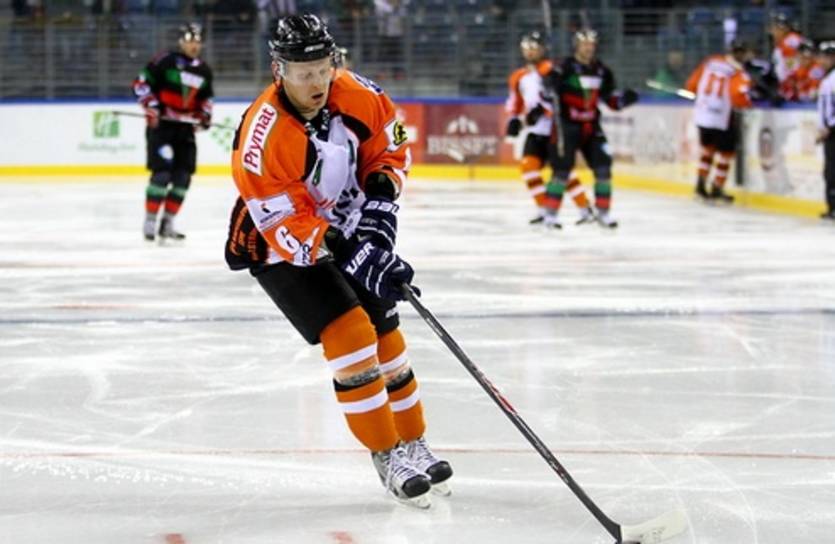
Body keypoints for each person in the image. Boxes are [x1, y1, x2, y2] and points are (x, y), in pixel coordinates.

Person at [223, 14, 452, 507]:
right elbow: (284, 222)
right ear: (278, 70)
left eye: (323, 68)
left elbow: (389, 152)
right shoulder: (263, 135)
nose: (316, 82)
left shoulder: (360, 94)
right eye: (303, 72)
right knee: (351, 334)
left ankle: (413, 441)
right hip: (279, 243)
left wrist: (378, 218)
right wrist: (351, 251)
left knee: (387, 336)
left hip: (344, 223)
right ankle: (387, 453)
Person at [542, 28, 639, 229]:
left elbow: (609, 100)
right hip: (566, 126)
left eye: (591, 44)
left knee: (603, 168)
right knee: (561, 171)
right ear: (576, 46)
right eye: (584, 44)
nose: (588, 48)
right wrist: (549, 85)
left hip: (592, 127)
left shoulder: (602, 71)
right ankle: (550, 216)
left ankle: (603, 213)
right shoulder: (563, 68)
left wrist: (624, 100)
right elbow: (546, 95)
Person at [132, 23, 214, 242]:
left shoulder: (204, 70)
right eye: (190, 40)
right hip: (162, 129)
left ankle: (167, 223)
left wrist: (204, 116)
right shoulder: (165, 61)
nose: (194, 45)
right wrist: (152, 106)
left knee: (183, 178)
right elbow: (141, 83)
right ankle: (150, 221)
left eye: (197, 41)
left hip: (185, 132)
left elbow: (206, 99)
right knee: (162, 175)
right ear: (181, 42)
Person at [505, 31, 594, 227]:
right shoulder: (518, 77)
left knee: (562, 171)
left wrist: (546, 105)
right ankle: (545, 210)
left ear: (543, 49)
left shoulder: (553, 70)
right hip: (536, 130)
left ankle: (585, 208)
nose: (530, 52)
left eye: (534, 48)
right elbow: (515, 102)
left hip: (556, 128)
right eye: (527, 48)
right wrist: (513, 119)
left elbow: (567, 97)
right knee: (528, 167)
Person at [685, 39, 753, 203]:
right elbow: (738, 96)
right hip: (723, 117)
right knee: (726, 153)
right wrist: (748, 104)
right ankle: (717, 186)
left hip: (703, 115)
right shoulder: (737, 71)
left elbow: (691, 85)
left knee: (707, 150)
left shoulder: (711, 62)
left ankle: (701, 185)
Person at [816, 41, 835, 220]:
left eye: (826, 57)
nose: (822, 61)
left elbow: (830, 108)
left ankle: (833, 207)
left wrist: (828, 127)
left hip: (833, 131)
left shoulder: (831, 80)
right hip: (830, 130)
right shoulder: (828, 79)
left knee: (832, 171)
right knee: (830, 171)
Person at [768, 13, 804, 101]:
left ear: (785, 29)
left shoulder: (790, 40)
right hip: (787, 84)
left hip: (797, 84)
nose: (773, 32)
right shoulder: (782, 43)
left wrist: (790, 85)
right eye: (773, 28)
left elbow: (792, 66)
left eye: (777, 28)